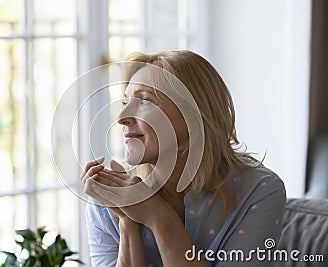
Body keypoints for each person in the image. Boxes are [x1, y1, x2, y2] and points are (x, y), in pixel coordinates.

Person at [81, 50, 286, 267]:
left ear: (193, 116)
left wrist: (158, 217)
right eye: (125, 102)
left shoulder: (259, 191)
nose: (122, 118)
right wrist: (127, 221)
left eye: (143, 101)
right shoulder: (107, 199)